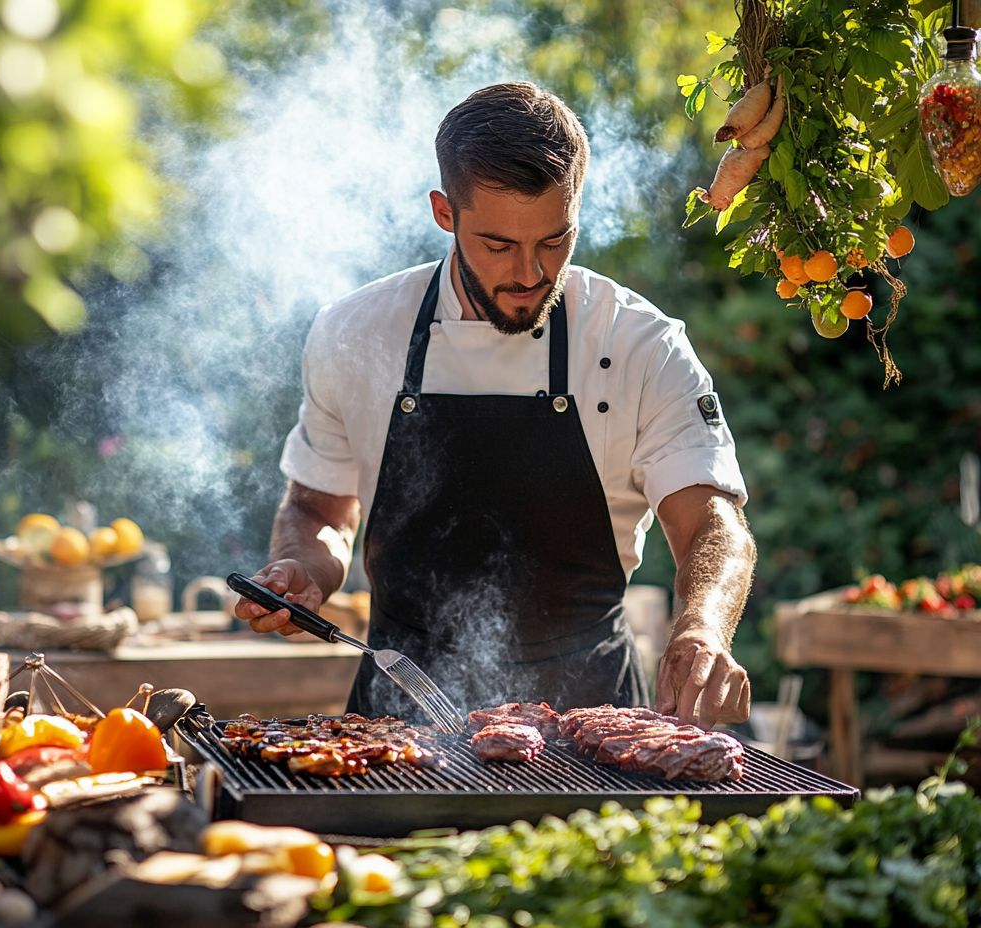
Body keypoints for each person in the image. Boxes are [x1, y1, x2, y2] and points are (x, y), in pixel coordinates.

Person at [235, 82, 756, 729]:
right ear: (445, 213)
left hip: (591, 719)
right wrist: (302, 569)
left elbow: (710, 521)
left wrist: (702, 629)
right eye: (500, 245)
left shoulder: (638, 343)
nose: (531, 273)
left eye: (555, 240)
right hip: (402, 715)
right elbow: (319, 509)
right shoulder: (357, 331)